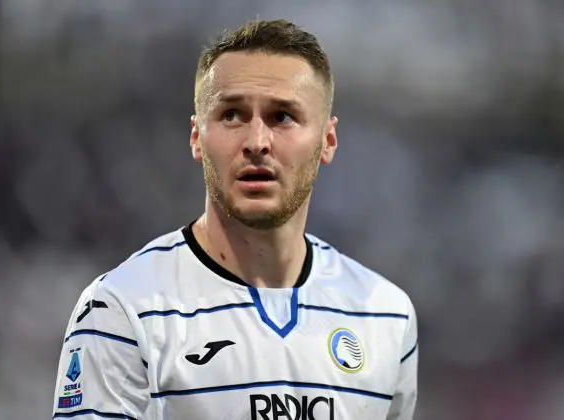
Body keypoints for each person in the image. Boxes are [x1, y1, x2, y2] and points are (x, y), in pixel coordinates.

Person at [52, 19, 418, 420]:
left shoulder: (386, 316)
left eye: (282, 117)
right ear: (196, 137)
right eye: (231, 115)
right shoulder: (123, 308)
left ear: (327, 141)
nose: (257, 142)